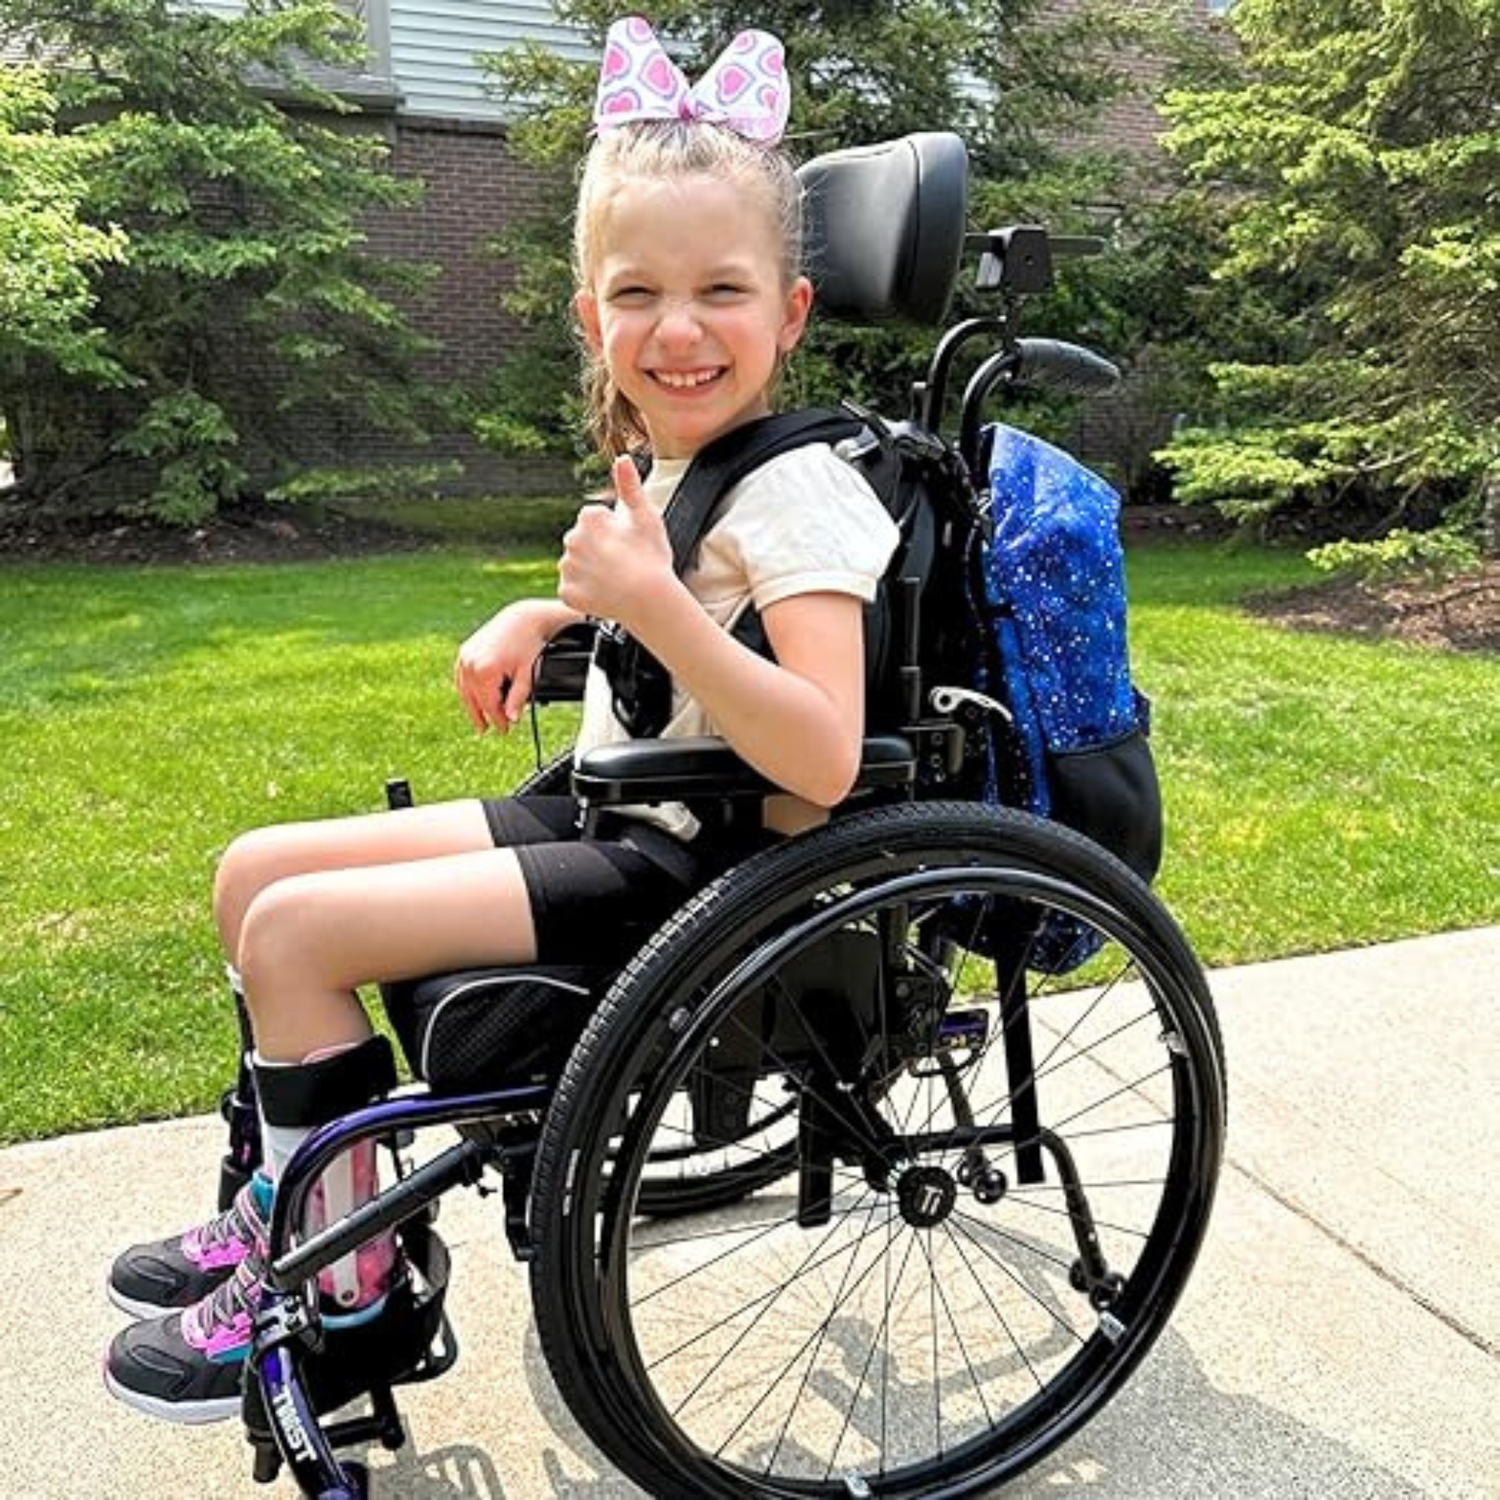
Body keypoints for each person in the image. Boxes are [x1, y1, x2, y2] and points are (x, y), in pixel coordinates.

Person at [102, 14, 899, 1425]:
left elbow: (822, 755)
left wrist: (646, 606)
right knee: (251, 872)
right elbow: (681, 649)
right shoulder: (685, 462)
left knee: (297, 934)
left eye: (722, 289)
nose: (677, 327)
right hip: (613, 808)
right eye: (636, 292)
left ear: (789, 311)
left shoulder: (807, 493)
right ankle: (282, 1198)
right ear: (591, 315)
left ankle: (350, 1295)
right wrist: (549, 623)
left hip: (699, 873)